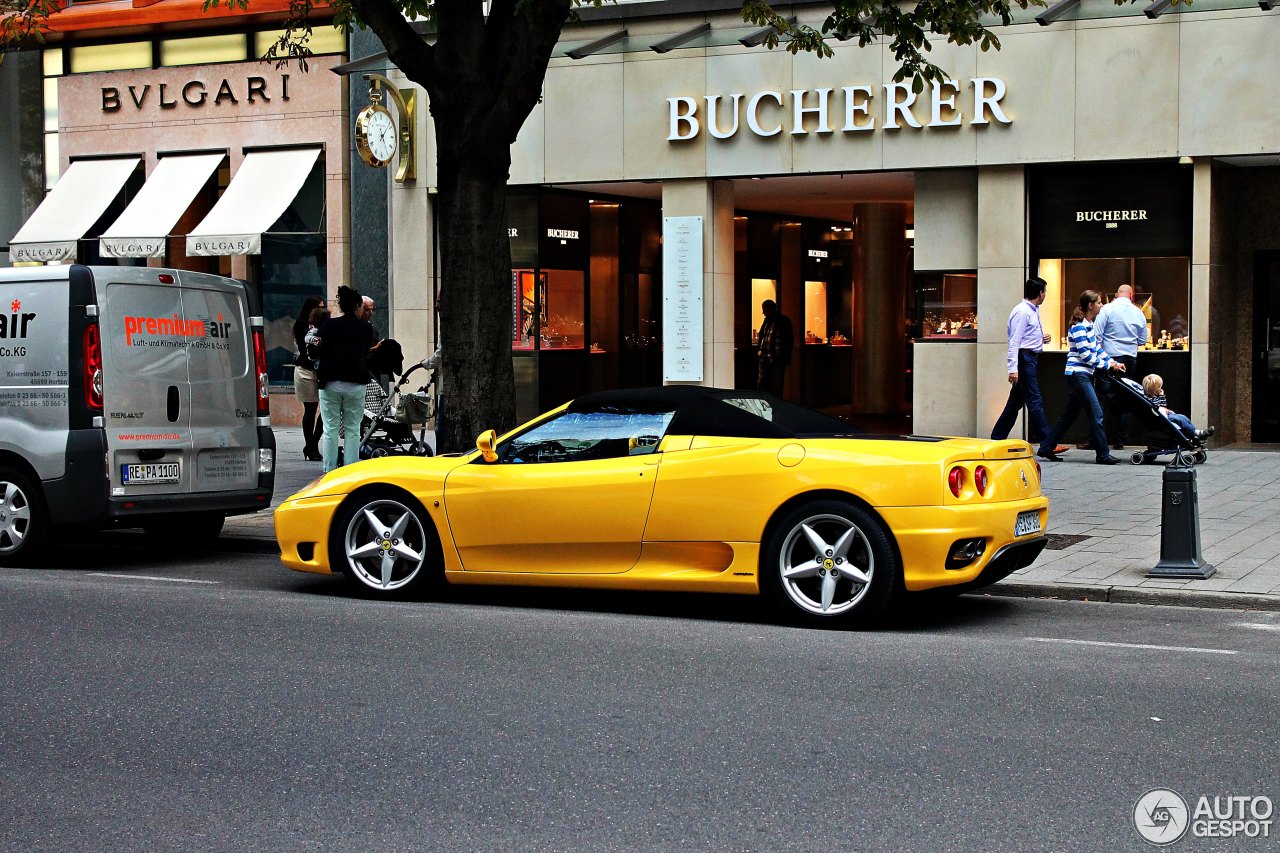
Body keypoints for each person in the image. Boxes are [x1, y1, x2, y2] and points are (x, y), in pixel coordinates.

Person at [1038, 290, 1127, 465]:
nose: (1101, 305)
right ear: (1090, 305)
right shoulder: (1079, 327)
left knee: (1069, 414)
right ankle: (1102, 454)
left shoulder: (1089, 325)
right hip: (1078, 375)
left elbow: (1097, 350)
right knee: (1097, 414)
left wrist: (1113, 362)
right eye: (1099, 302)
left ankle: (1046, 447)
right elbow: (1086, 355)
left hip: (1082, 374)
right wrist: (1107, 365)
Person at [991, 277, 1065, 452]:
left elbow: (1024, 337)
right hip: (1025, 359)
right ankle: (1047, 443)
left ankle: (997, 437)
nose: (1046, 295)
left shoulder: (1031, 310)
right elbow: (1015, 341)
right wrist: (1012, 369)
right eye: (1045, 291)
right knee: (1034, 400)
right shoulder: (1023, 312)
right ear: (1040, 293)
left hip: (1028, 358)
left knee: (1015, 403)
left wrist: (1041, 338)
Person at [313, 285, 377, 473]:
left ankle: (329, 469)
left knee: (330, 428)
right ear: (357, 306)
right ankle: (350, 470)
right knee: (353, 429)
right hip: (356, 383)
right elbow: (366, 351)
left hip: (330, 381)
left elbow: (317, 348)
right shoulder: (366, 328)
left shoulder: (329, 325)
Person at [1093, 284, 1148, 448]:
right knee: (1126, 400)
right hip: (1130, 359)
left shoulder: (1107, 309)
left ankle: (1097, 439)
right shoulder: (1139, 313)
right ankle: (1121, 439)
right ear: (1131, 296)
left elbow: (1097, 334)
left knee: (1100, 399)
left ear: (1116, 295)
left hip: (1109, 358)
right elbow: (1143, 340)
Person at [291, 295, 324, 462]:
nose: (322, 310)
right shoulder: (302, 324)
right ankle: (311, 445)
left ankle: (312, 443)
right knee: (310, 409)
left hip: (320, 370)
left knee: (325, 410)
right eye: (319, 307)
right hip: (305, 369)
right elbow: (305, 350)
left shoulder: (323, 324)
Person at [1141, 374, 1214, 443]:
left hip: (1165, 415)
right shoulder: (1149, 399)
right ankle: (1197, 433)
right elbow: (1160, 406)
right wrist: (1161, 396)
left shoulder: (1152, 397)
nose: (1161, 389)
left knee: (1182, 417)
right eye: (1159, 387)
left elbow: (1162, 406)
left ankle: (1195, 432)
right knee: (1180, 419)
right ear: (1155, 389)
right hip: (1161, 418)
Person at [756, 299, 793, 396]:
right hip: (765, 358)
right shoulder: (767, 322)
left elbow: (788, 339)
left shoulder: (783, 321)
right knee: (763, 382)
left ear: (770, 309)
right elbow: (762, 336)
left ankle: (775, 402)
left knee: (777, 384)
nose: (763, 312)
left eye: (764, 309)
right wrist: (760, 349)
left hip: (777, 358)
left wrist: (784, 355)